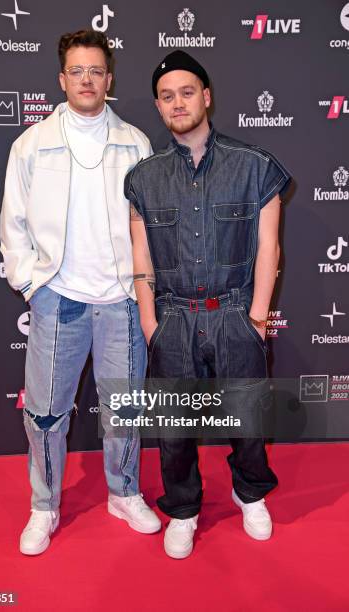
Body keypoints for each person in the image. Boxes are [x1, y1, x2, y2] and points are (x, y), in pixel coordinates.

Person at [0, 29, 161, 556]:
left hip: (119, 300)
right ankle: (43, 507)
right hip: (57, 298)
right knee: (45, 412)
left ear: (108, 79)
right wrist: (31, 284)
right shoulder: (31, 144)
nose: (86, 80)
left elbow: (150, 225)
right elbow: (13, 222)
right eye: (77, 71)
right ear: (61, 78)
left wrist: (142, 288)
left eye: (96, 71)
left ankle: (124, 492)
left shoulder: (135, 142)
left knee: (125, 409)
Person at [126, 50, 291, 559]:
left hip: (236, 312)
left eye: (187, 92)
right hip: (173, 317)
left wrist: (257, 318)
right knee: (174, 429)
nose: (179, 103)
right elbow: (141, 254)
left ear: (207, 96)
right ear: (158, 106)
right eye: (168, 96)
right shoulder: (142, 178)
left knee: (246, 417)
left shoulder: (255, 166)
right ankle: (183, 509)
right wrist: (150, 322)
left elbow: (270, 246)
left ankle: (250, 494)